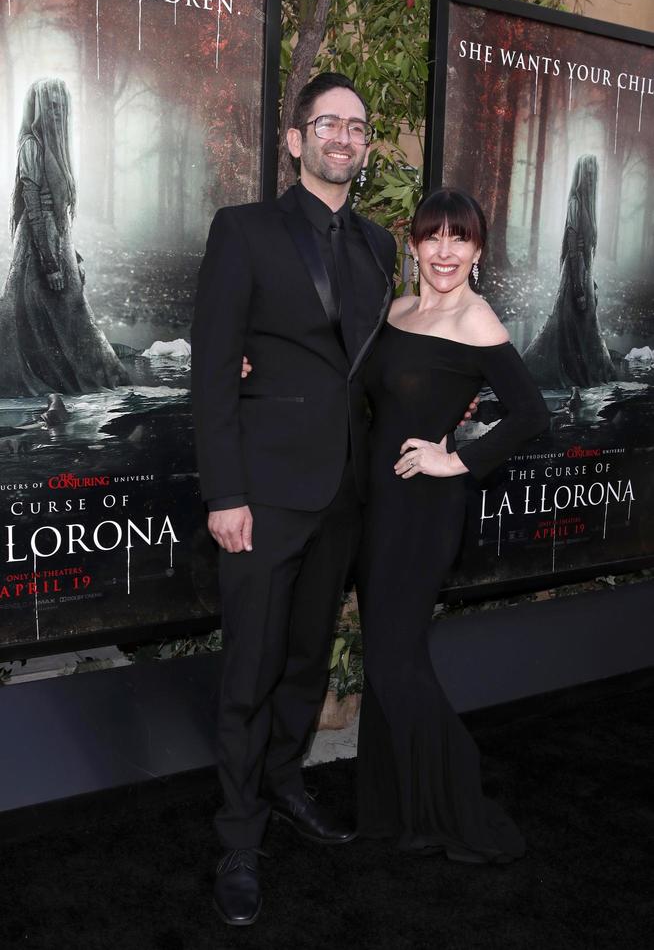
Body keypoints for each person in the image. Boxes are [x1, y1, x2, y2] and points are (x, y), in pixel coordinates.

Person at [192, 72, 399, 926]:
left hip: (344, 495)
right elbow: (211, 370)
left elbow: (373, 364)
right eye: (328, 123)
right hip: (264, 496)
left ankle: (282, 784)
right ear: (295, 138)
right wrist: (225, 493)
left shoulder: (381, 245)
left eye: (356, 126)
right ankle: (238, 839)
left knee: (307, 660)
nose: (343, 137)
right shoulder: (243, 231)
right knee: (249, 669)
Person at [355, 188, 550, 861]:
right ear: (413, 245)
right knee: (392, 661)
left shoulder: (478, 321)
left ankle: (458, 799)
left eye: (458, 239)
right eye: (432, 237)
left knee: (391, 660)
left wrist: (457, 460)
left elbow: (531, 414)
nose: (444, 251)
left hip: (423, 512)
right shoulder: (400, 310)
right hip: (376, 508)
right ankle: (393, 813)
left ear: (477, 250)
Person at [0, 77, 129, 396]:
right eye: (51, 107)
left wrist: (72, 256)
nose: (57, 113)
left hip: (56, 248)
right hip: (38, 253)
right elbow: (35, 211)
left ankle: (74, 386)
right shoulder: (31, 145)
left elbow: (59, 218)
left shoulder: (53, 150)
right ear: (39, 108)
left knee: (70, 325)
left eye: (62, 107)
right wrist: (51, 264)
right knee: (48, 327)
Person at [523, 154, 616, 388]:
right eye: (588, 173)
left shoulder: (587, 205)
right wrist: (578, 287)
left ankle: (587, 371)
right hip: (575, 273)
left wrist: (589, 283)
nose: (592, 177)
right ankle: (574, 373)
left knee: (584, 326)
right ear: (581, 175)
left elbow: (586, 251)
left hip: (584, 272)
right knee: (571, 325)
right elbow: (574, 250)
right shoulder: (575, 203)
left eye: (594, 173)